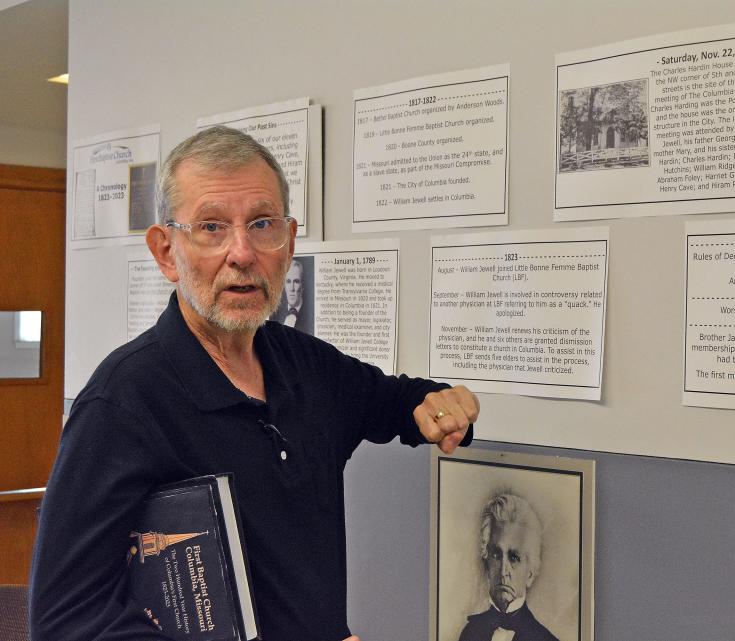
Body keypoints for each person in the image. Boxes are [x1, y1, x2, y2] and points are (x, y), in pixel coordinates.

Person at [29, 125, 479, 641]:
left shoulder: (308, 368)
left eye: (262, 224)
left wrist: (439, 404)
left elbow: (396, 402)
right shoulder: (124, 401)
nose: (242, 253)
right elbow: (68, 621)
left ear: (288, 242)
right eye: (212, 227)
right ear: (166, 252)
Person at [458, 494, 558, 641]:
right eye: (496, 555)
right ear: (487, 564)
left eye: (514, 558)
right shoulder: (469, 633)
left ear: (530, 573)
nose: (503, 571)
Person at [270, 257, 313, 333]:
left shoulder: (311, 317)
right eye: (288, 281)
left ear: (302, 286)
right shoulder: (274, 315)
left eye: (296, 281)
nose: (292, 288)